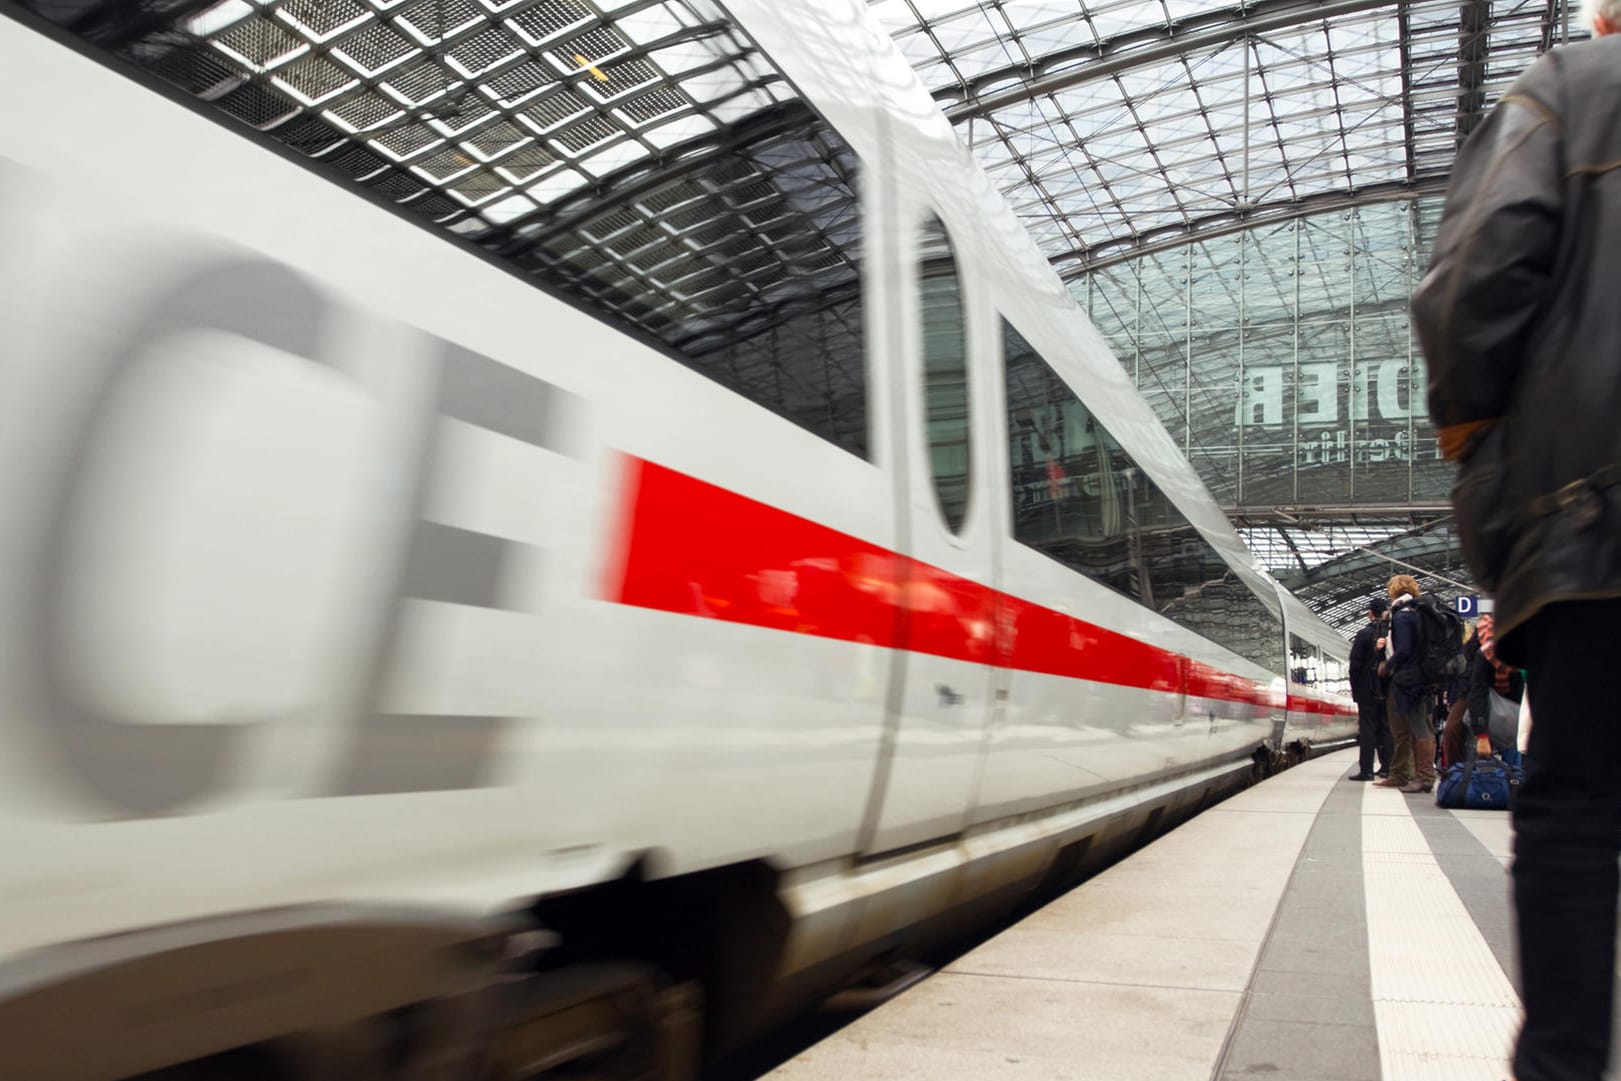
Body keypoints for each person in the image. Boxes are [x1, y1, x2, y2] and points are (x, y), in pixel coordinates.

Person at [1411, 2, 1621, 1076]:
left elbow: (1466, 289)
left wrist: (1485, 466)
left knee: (1577, 805)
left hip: (1593, 536)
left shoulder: (1575, 86)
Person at [1374, 576, 1432, 791]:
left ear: (1394, 589)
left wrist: (1387, 665)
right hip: (1416, 677)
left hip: (1409, 679)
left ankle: (1423, 777)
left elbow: (1405, 650)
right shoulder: (1414, 611)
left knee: (1414, 727)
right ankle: (1409, 775)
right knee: (1410, 727)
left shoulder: (1403, 615)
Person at [1466, 614, 1524, 764]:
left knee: (1513, 752)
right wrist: (1482, 735)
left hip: (1516, 709)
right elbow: (1478, 693)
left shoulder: (1529, 652)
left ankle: (1514, 781)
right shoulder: (1485, 654)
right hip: (1487, 704)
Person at [1347, 597, 1392, 781]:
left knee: (1367, 730)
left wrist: (1355, 688)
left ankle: (1366, 770)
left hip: (1367, 690)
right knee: (1386, 728)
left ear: (1370, 613)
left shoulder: (1364, 634)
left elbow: (1355, 664)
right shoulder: (1391, 633)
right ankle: (1387, 768)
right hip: (1387, 689)